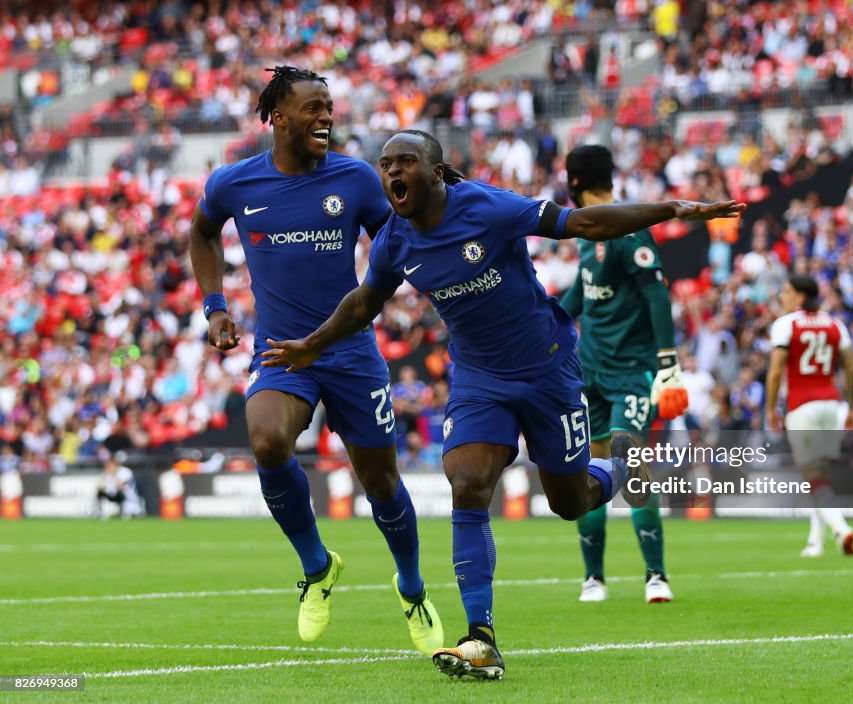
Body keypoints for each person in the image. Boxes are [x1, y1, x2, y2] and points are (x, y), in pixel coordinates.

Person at [261, 129, 745, 681]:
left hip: (547, 371)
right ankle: (481, 637)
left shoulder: (487, 207)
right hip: (478, 380)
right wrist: (314, 344)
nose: (392, 173)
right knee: (466, 483)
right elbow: (366, 300)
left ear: (436, 172)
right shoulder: (395, 239)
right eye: (385, 165)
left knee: (571, 501)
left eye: (406, 162)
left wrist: (673, 209)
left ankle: (624, 465)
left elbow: (580, 223)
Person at [188, 67, 443, 653]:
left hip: (350, 350)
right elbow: (202, 234)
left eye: (329, 107)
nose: (326, 116)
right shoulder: (234, 183)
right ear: (278, 117)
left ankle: (411, 588)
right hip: (281, 352)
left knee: (379, 482)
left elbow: (399, 240)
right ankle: (317, 566)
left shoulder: (356, 179)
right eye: (313, 108)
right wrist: (215, 308)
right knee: (269, 441)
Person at [559, 145, 689, 605]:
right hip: (589, 371)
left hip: (631, 371)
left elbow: (656, 295)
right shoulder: (586, 233)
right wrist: (542, 319)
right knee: (591, 470)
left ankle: (656, 575)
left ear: (575, 182)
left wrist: (668, 361)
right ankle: (593, 578)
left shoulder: (629, 229)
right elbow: (582, 294)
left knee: (630, 464)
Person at [765, 275, 853, 558]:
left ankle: (841, 528)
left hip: (802, 405)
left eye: (787, 291)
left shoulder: (785, 324)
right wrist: (852, 407)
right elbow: (852, 368)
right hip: (831, 404)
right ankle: (816, 541)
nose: (783, 296)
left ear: (801, 296)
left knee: (812, 475)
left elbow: (777, 370)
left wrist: (770, 408)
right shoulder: (835, 323)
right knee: (820, 476)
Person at [96, 452, 144, 519]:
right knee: (100, 493)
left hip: (126, 497)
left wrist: (115, 474)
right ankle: (102, 512)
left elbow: (120, 485)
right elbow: (99, 487)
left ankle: (123, 511)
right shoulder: (107, 473)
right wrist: (105, 475)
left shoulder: (125, 471)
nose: (109, 467)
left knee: (120, 492)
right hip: (113, 496)